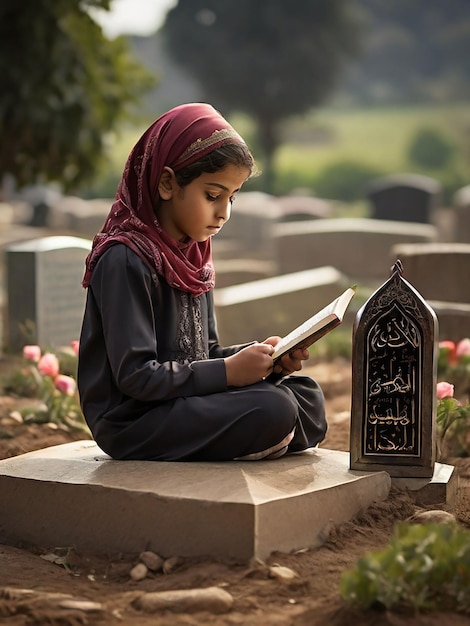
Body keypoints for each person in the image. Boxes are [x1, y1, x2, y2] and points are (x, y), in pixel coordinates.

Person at [78, 102, 326, 461]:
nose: (223, 212)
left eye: (232, 198)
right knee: (274, 409)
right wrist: (229, 372)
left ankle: (266, 435)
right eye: (212, 195)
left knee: (305, 394)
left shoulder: (194, 255)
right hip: (134, 420)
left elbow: (204, 355)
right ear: (166, 183)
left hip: (183, 402)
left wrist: (263, 360)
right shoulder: (125, 258)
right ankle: (266, 435)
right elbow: (135, 377)